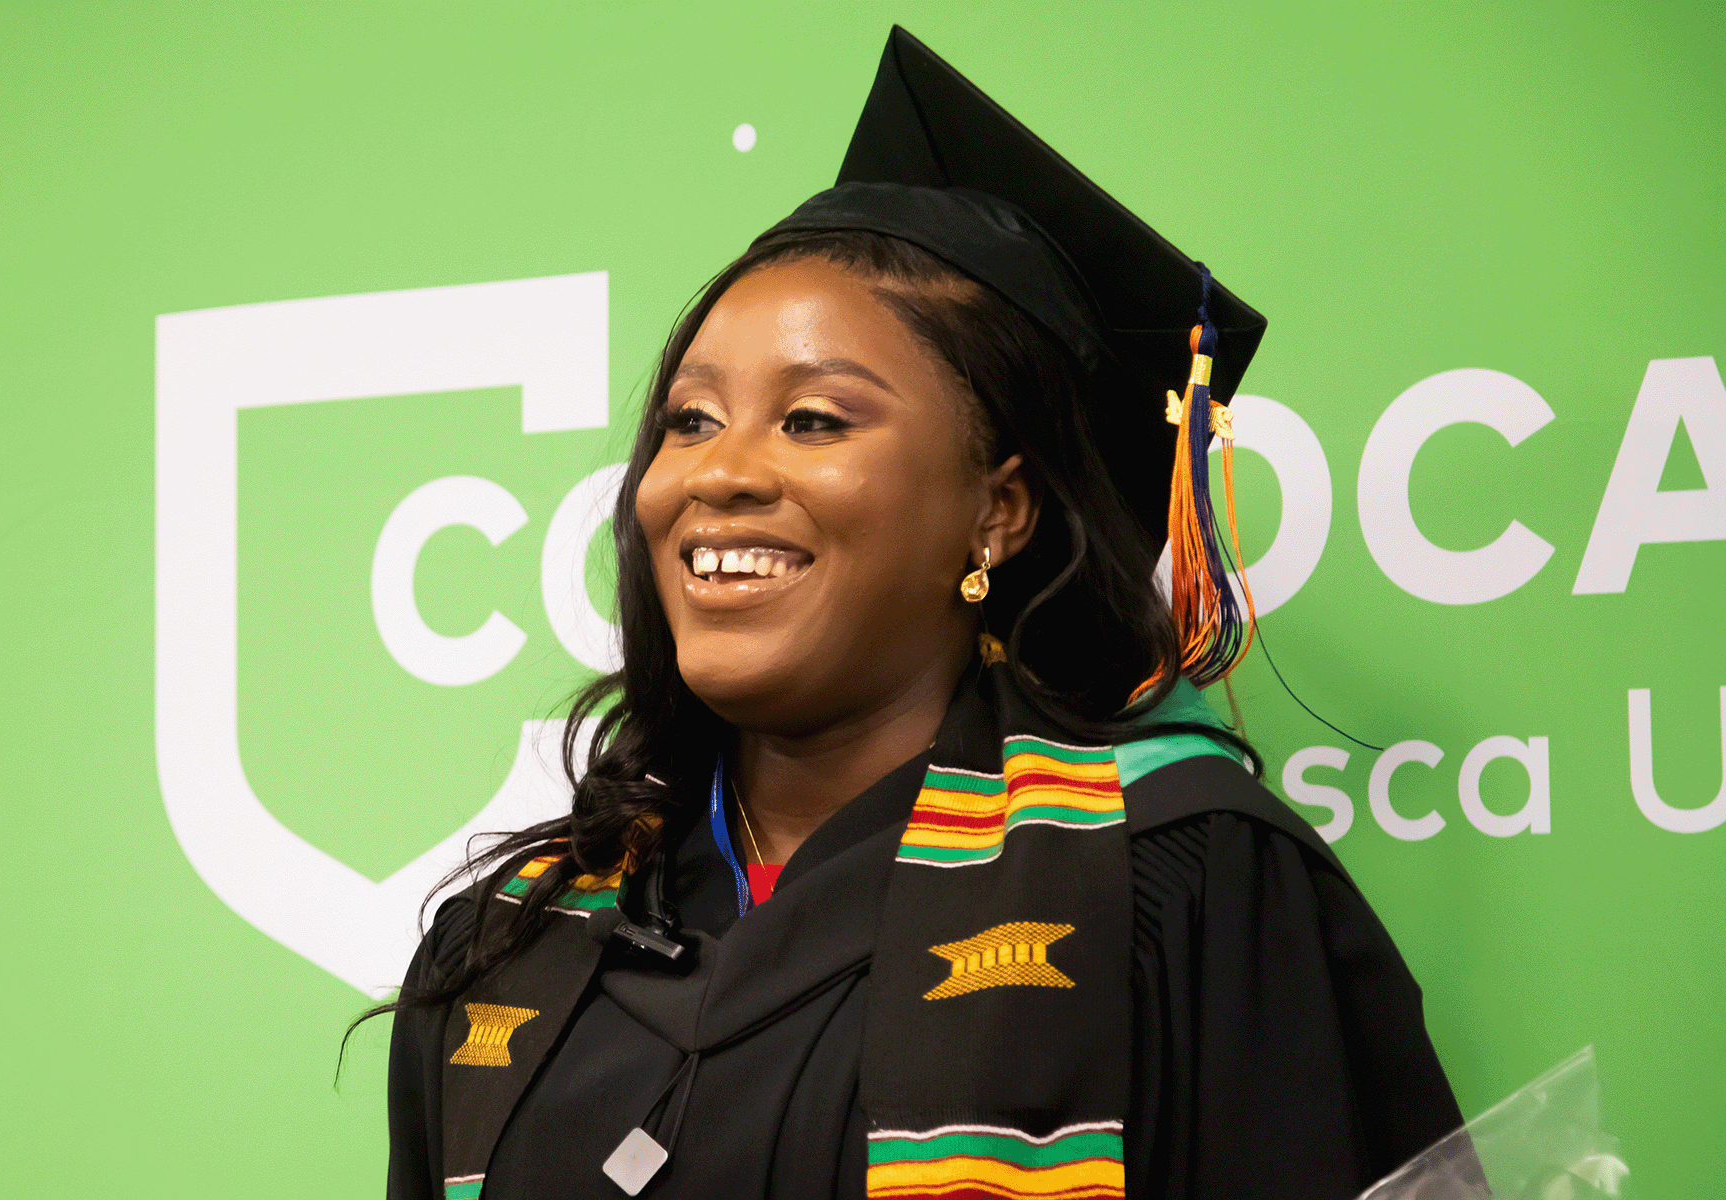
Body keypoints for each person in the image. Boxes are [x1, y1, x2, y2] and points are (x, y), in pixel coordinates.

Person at [381, 27, 1464, 1200]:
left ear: (997, 511)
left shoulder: (1178, 884)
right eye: (689, 421)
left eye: (814, 421)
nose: (717, 473)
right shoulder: (519, 942)